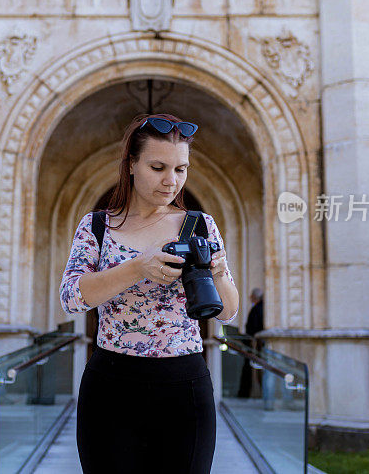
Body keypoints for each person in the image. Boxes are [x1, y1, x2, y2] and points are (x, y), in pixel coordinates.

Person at [59, 113, 240, 474]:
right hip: (110, 386)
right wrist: (137, 267)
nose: (171, 181)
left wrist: (217, 273)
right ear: (130, 164)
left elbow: (228, 311)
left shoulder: (200, 225)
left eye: (181, 169)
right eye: (158, 167)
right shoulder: (97, 225)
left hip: (185, 385)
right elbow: (71, 297)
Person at [237, 288, 264, 398]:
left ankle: (244, 393)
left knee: (252, 369)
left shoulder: (257, 309)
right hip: (256, 345)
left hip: (255, 345)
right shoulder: (261, 308)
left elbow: (252, 329)